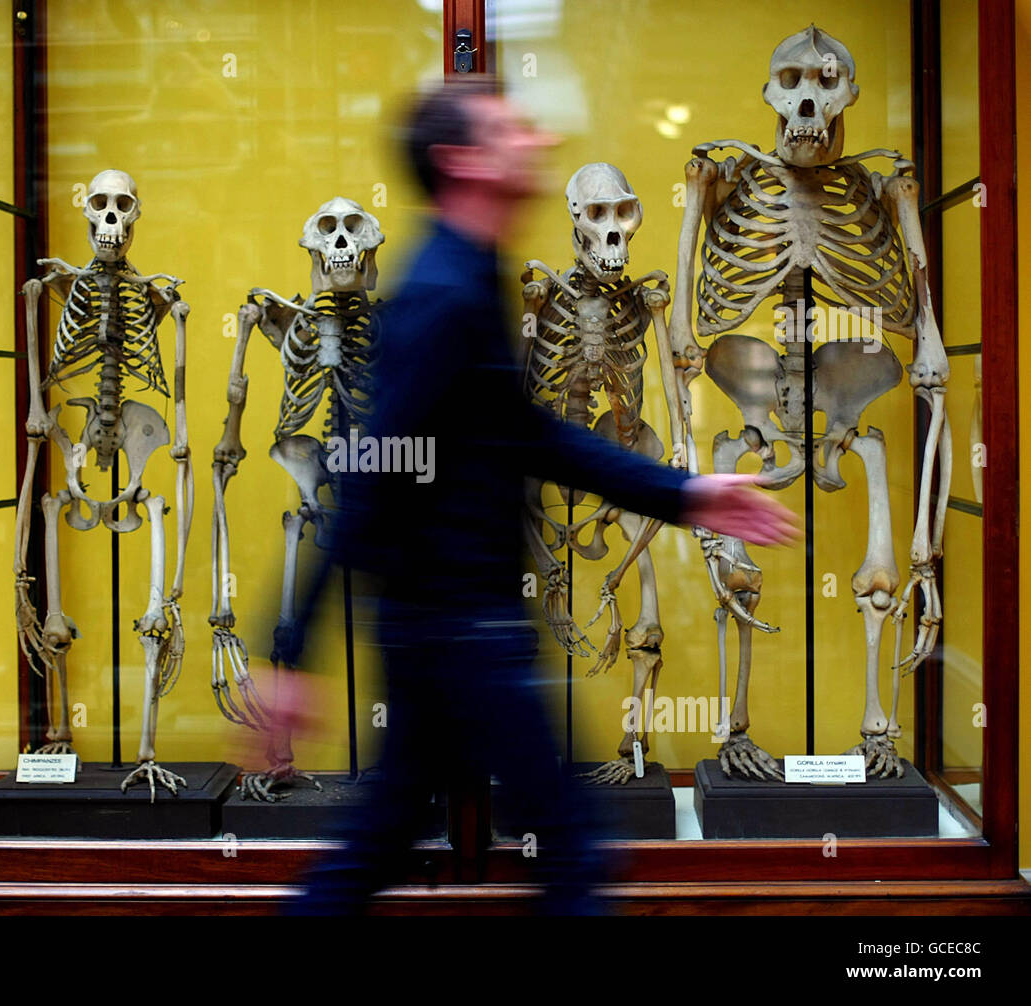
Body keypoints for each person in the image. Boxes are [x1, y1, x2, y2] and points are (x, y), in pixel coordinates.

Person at [273, 76, 798, 915]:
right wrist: (293, 650)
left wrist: (688, 493)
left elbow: (530, 435)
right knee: (570, 852)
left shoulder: (473, 275)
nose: (533, 140)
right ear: (461, 162)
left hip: (448, 632)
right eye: (506, 129)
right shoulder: (442, 293)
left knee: (378, 846)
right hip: (458, 635)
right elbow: (373, 471)